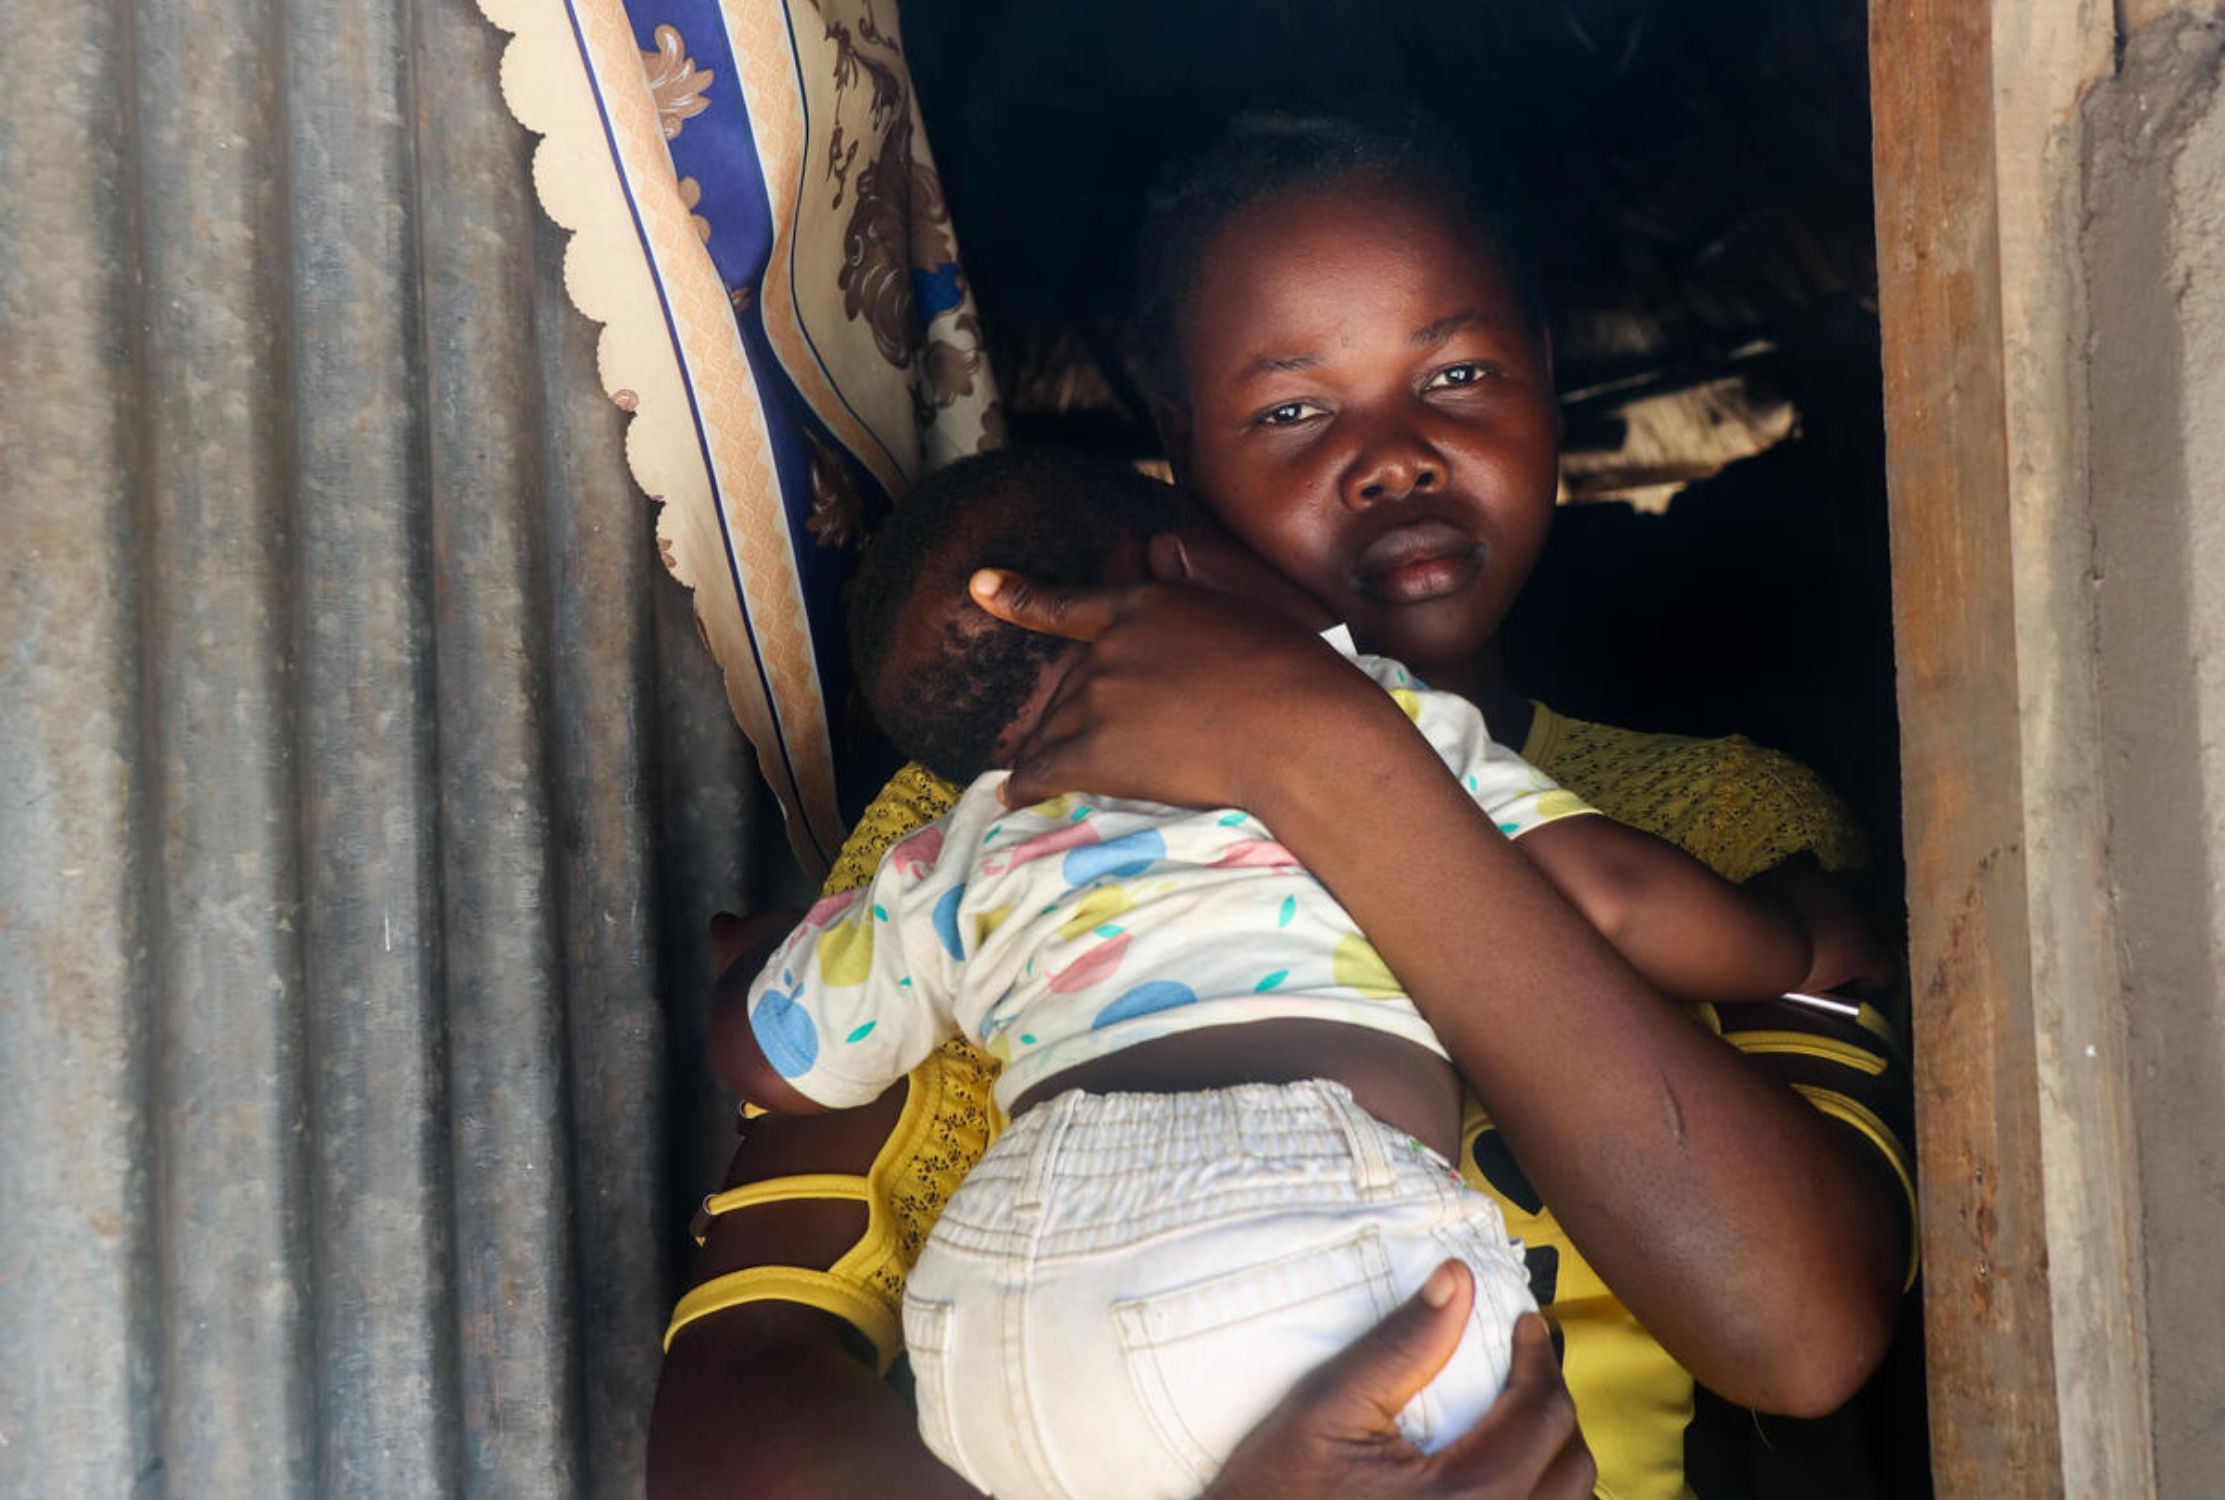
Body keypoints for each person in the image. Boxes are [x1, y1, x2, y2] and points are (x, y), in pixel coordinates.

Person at [648, 117, 1912, 1500]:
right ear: (1177, 462)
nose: (1394, 456)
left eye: (1460, 371)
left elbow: (1800, 1340)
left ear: (1550, 380)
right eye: (1294, 409)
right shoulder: (989, 801)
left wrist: (1323, 755)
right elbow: (730, 1417)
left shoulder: (1724, 815)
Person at [708, 447, 1826, 1498]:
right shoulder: (1366, 712)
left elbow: (773, 1059)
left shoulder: (951, 850)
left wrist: (751, 962)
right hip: (1289, 1253)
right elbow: (1616, 898)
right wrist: (1794, 936)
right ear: (1185, 565)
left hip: (991, 1324)